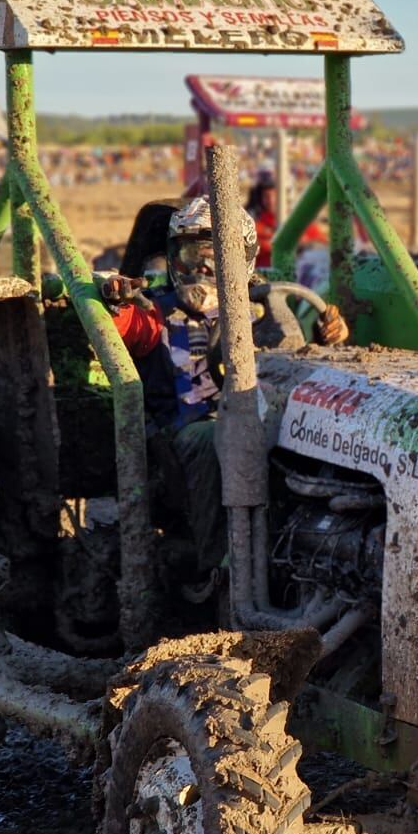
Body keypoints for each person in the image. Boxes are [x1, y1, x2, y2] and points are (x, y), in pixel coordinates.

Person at [100, 197, 349, 585]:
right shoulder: (156, 314)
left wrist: (326, 340)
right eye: (189, 256)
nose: (201, 268)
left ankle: (315, 550)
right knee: (218, 437)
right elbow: (121, 328)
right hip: (187, 434)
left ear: (241, 261)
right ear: (172, 258)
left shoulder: (263, 312)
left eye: (215, 257)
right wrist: (114, 299)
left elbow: (295, 364)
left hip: (257, 419)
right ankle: (222, 570)